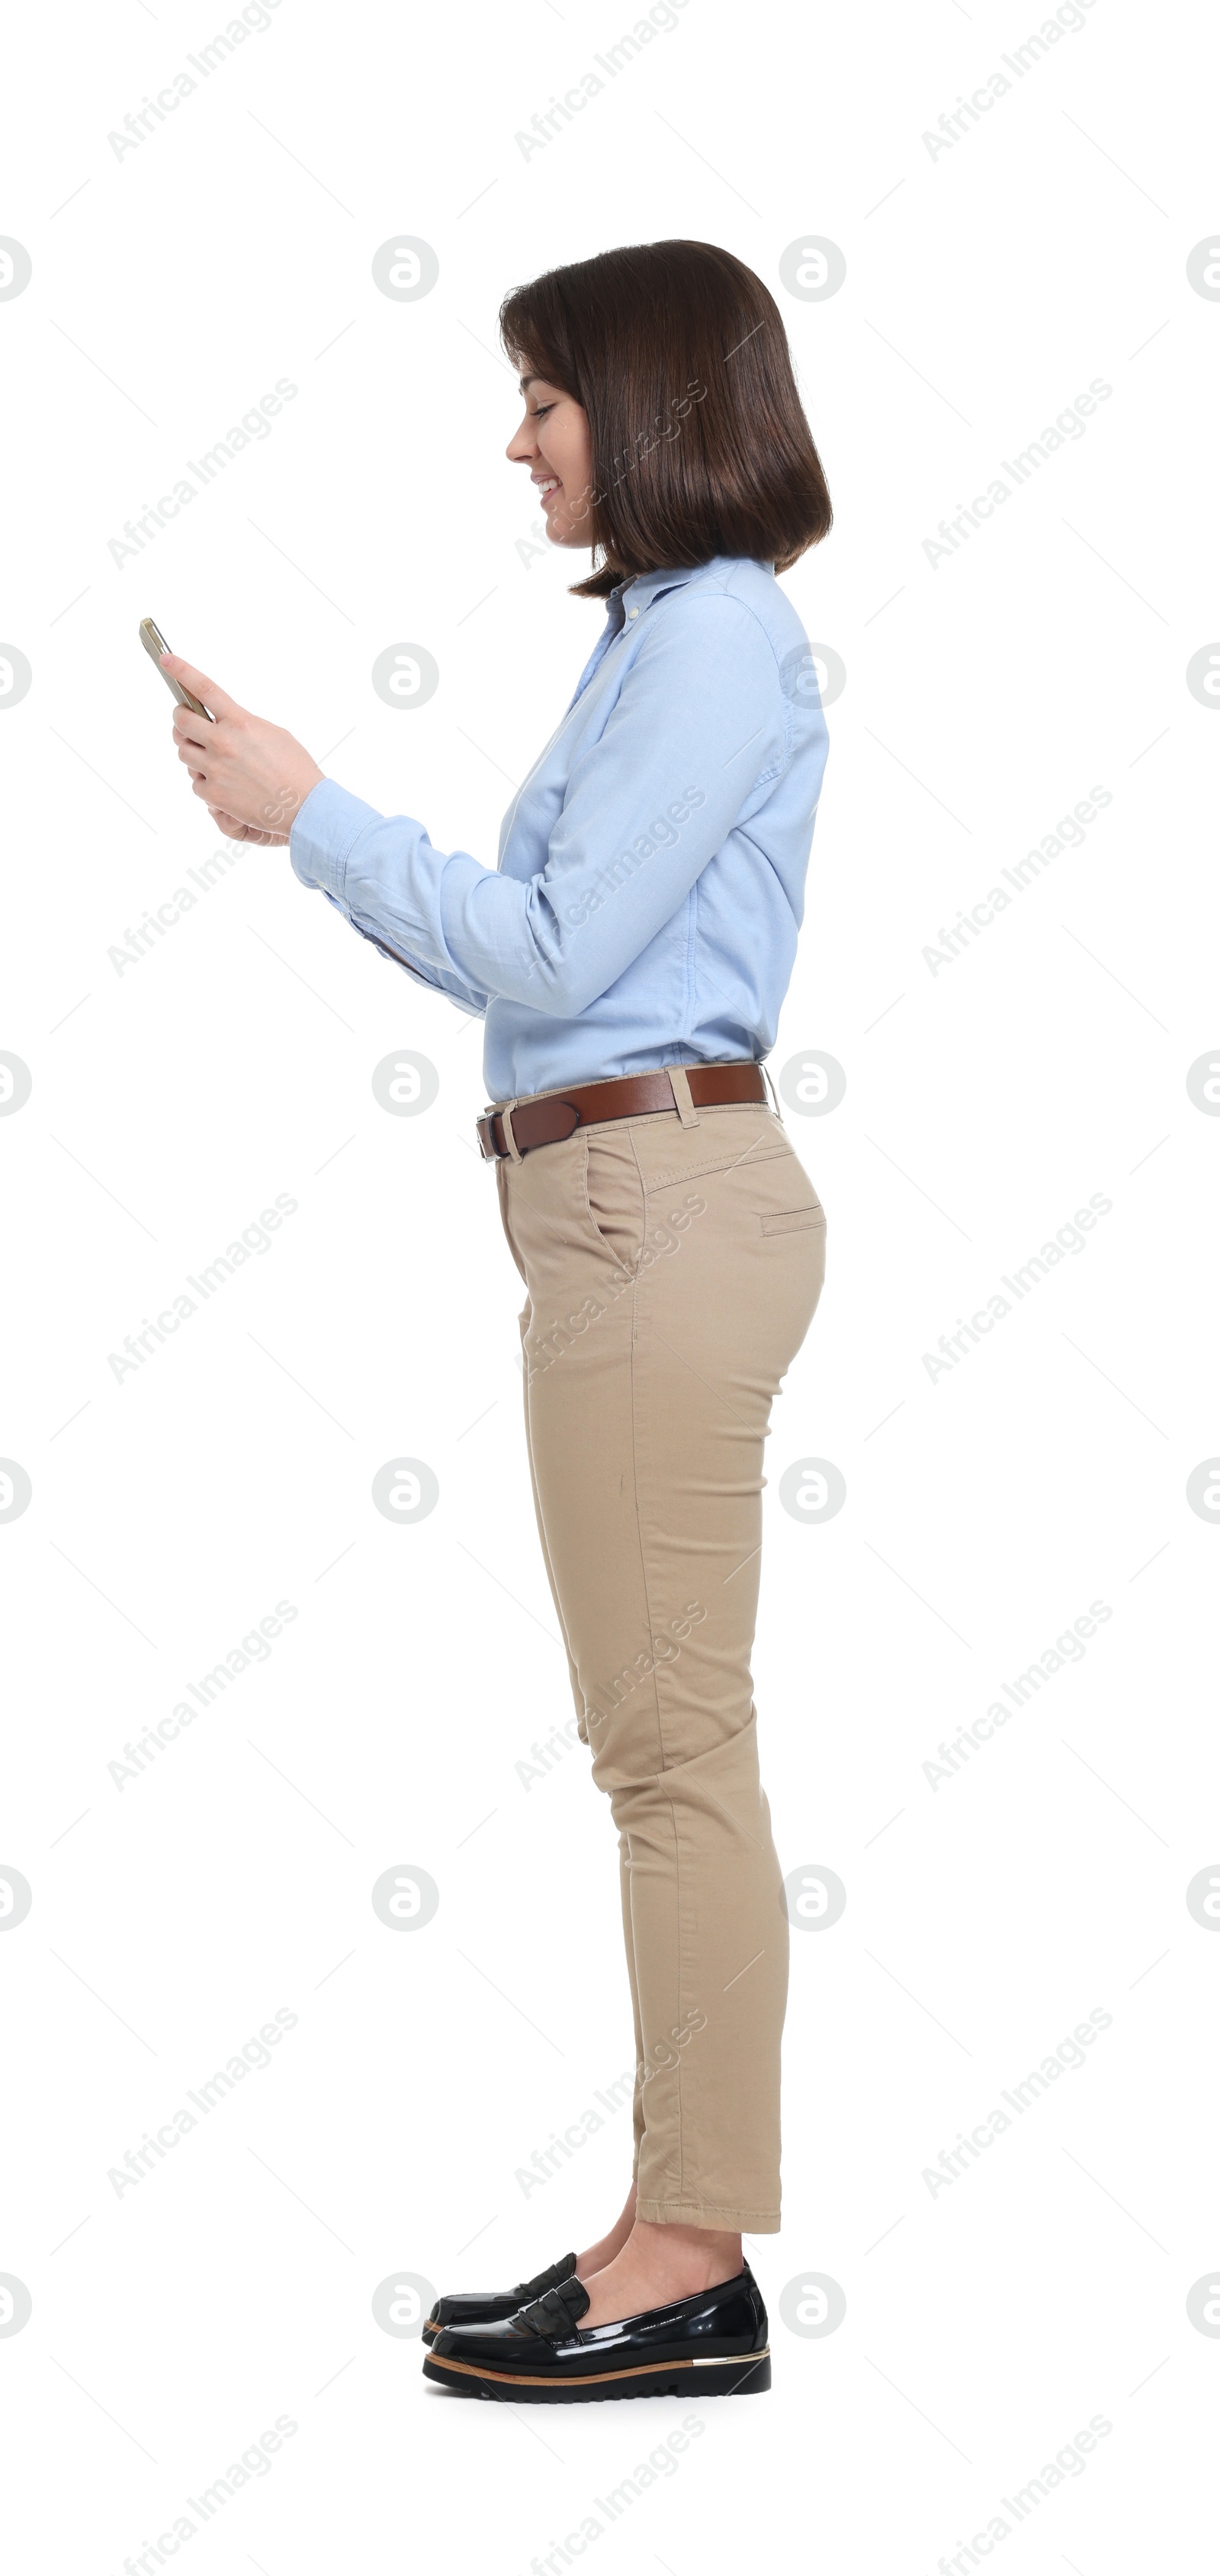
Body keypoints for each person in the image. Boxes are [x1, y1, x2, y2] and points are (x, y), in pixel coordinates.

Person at [162, 237, 833, 2405]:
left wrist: (311, 818)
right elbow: (544, 955)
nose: (519, 436)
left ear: (643, 404)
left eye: (543, 392)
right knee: (660, 1742)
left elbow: (549, 946)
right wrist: (318, 816)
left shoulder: (720, 636)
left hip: (656, 1206)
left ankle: (692, 2252)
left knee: (671, 1751)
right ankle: (666, 2224)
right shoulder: (660, 644)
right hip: (614, 1209)